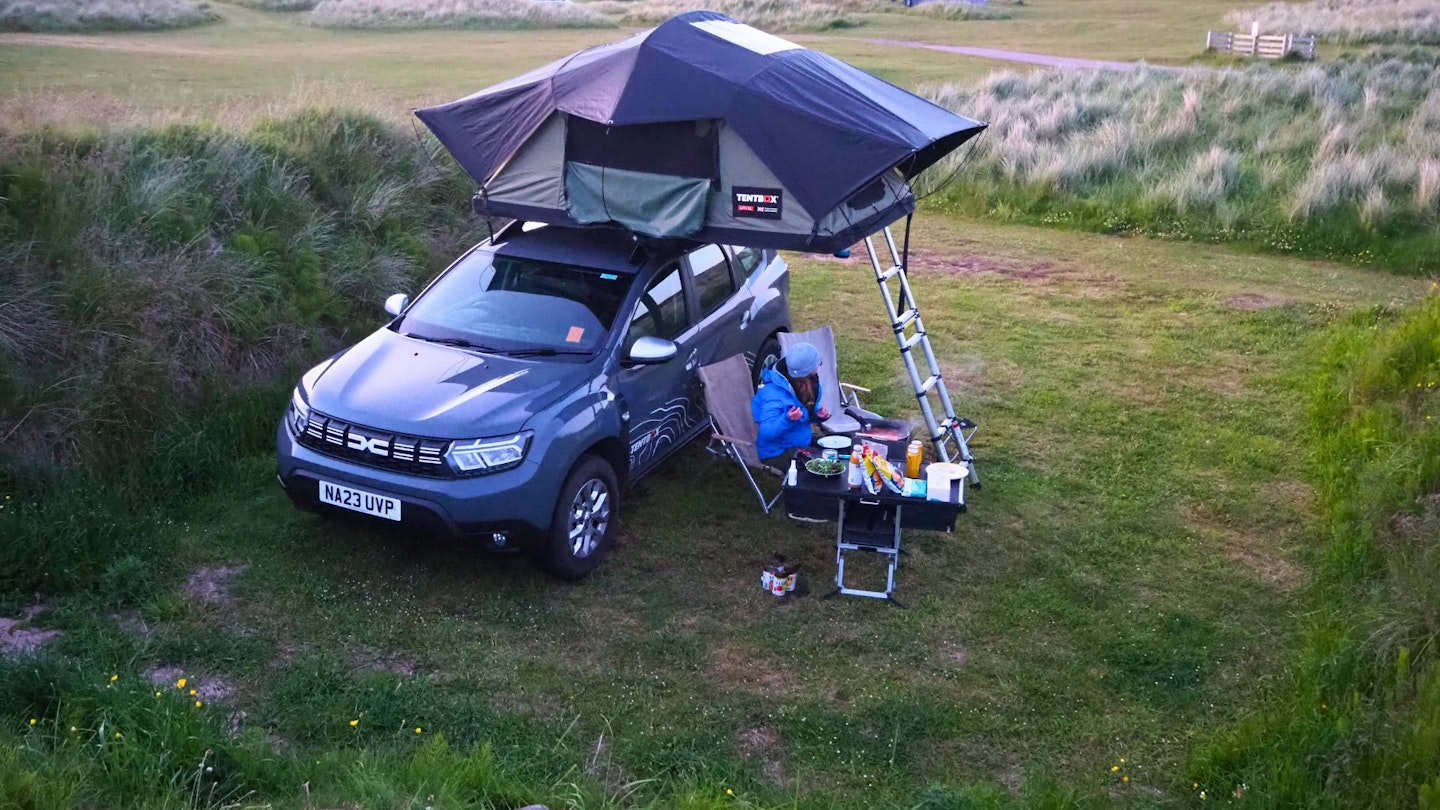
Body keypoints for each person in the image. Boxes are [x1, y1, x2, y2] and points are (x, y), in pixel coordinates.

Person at [752, 341, 832, 462]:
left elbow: (807, 411)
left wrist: (818, 414)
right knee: (825, 469)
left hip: (800, 441)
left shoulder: (807, 381)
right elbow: (766, 433)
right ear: (806, 370)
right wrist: (788, 419)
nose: (818, 367)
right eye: (817, 364)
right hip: (778, 451)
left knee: (839, 450)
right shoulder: (773, 395)